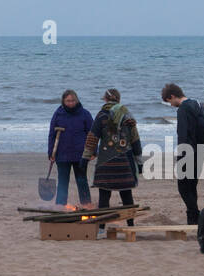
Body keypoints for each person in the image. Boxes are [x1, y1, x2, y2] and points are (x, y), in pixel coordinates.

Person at [83, 88, 141, 226]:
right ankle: (131, 225)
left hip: (105, 162)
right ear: (119, 99)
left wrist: (85, 158)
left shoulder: (102, 115)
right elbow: (135, 140)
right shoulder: (128, 115)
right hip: (124, 161)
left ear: (105, 99)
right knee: (126, 195)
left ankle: (102, 228)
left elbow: (92, 138)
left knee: (104, 196)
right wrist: (139, 162)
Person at [161, 82, 204, 225]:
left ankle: (194, 216)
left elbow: (183, 134)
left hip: (188, 152)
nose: (171, 105)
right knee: (191, 185)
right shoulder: (198, 104)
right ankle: (194, 217)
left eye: (169, 101)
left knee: (183, 186)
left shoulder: (183, 109)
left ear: (172, 96)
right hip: (201, 150)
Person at [47, 89, 93, 208]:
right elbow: (52, 134)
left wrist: (94, 151)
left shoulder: (85, 114)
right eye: (68, 101)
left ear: (76, 100)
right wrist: (51, 152)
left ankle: (86, 203)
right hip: (62, 154)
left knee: (82, 180)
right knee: (62, 181)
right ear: (63, 101)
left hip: (81, 154)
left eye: (72, 100)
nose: (71, 103)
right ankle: (61, 205)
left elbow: (92, 134)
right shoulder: (58, 114)